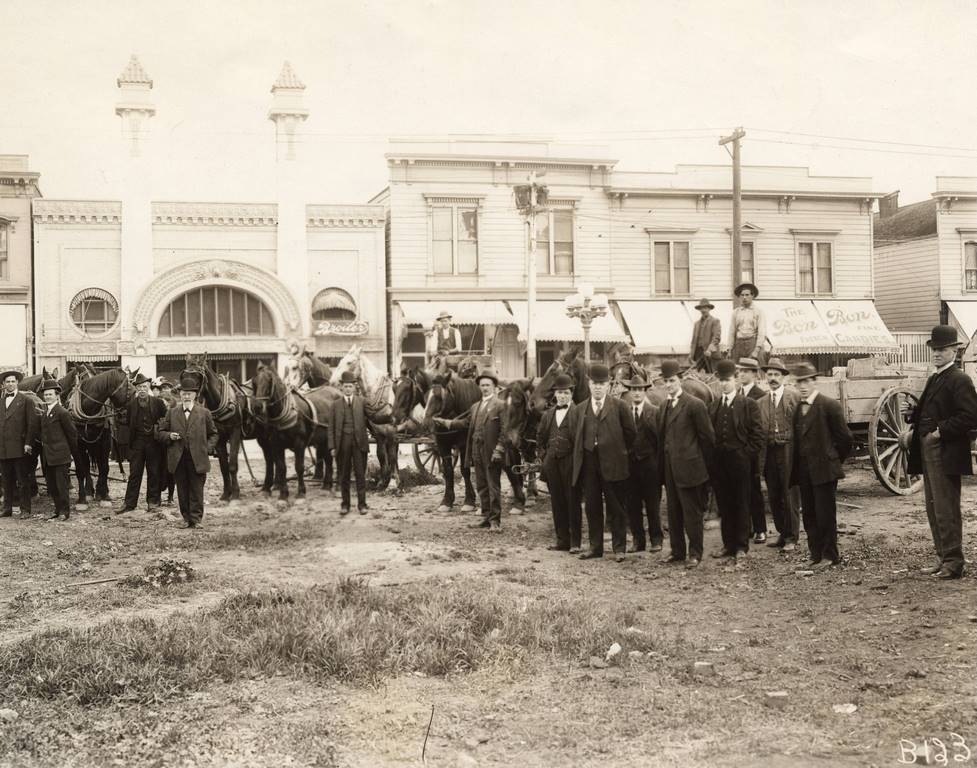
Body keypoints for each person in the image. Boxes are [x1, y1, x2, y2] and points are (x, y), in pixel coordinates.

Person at [907, 325, 977, 580]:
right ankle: (943, 557)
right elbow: (925, 410)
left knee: (946, 508)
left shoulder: (960, 379)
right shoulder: (936, 378)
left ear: (954, 351)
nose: (936, 353)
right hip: (929, 449)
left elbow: (970, 417)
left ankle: (954, 563)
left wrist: (939, 432)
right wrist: (912, 424)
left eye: (942, 349)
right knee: (933, 507)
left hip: (945, 451)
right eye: (934, 349)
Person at [567, 363, 635, 562]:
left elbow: (631, 434)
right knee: (592, 506)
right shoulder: (580, 409)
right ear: (589, 384)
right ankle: (595, 547)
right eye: (594, 383)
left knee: (616, 507)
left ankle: (619, 548)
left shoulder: (620, 406)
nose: (598, 387)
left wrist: (620, 454)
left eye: (601, 383)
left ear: (608, 385)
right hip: (589, 464)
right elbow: (574, 437)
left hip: (614, 464)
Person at [790, 362, 853, 568]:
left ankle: (830, 555)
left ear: (814, 382)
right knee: (809, 513)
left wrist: (832, 460)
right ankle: (815, 554)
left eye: (806, 381)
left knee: (825, 514)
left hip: (825, 471)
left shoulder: (829, 405)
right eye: (799, 382)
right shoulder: (798, 409)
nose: (803, 386)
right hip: (805, 472)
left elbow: (845, 439)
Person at [657, 359, 714, 568]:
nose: (669, 385)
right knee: (673, 512)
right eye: (666, 381)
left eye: (672, 380)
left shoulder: (694, 405)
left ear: (680, 380)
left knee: (692, 514)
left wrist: (704, 471)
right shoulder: (664, 405)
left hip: (691, 469)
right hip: (670, 469)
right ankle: (677, 551)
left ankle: (695, 553)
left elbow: (707, 439)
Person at [434, 369, 507, 531]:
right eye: (482, 385)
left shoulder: (500, 406)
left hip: (491, 451)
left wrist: (499, 450)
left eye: (488, 385)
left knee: (493, 485)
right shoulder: (475, 407)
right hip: (477, 452)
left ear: (494, 387)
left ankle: (495, 521)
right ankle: (486, 518)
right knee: (481, 485)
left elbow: (505, 431)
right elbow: (465, 423)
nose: (485, 388)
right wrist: (446, 423)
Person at [708, 360, 763, 561]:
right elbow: (709, 436)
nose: (724, 384)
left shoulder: (748, 405)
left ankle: (741, 546)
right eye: (721, 380)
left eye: (728, 380)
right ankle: (728, 544)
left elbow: (757, 436)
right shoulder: (713, 406)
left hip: (740, 464)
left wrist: (745, 456)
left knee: (741, 503)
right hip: (719, 465)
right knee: (724, 504)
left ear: (736, 379)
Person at [157, 371, 217, 529]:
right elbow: (160, 433)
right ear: (180, 395)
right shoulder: (172, 412)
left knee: (197, 489)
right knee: (182, 489)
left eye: (190, 394)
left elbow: (214, 434)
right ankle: (185, 518)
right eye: (184, 394)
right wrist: (170, 436)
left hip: (198, 457)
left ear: (195, 395)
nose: (186, 397)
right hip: (178, 457)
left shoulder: (204, 413)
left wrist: (207, 449)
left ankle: (196, 519)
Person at [758, 358, 801, 551]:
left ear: (783, 377)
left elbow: (801, 427)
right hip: (769, 452)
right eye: (770, 375)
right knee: (774, 495)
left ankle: (792, 537)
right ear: (765, 377)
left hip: (788, 451)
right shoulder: (761, 402)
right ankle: (782, 534)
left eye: (776, 375)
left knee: (789, 494)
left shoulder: (794, 397)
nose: (773, 378)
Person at [536, 373, 579, 552]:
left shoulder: (578, 412)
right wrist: (545, 458)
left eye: (566, 393)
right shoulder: (548, 415)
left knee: (572, 501)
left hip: (570, 462)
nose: (562, 396)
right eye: (559, 393)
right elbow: (541, 438)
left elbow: (580, 441)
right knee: (557, 501)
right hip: (552, 463)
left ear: (571, 394)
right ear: (555, 394)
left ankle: (575, 542)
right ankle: (562, 540)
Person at [623, 375, 662, 553]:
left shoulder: (654, 411)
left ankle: (656, 540)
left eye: (640, 390)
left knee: (652, 505)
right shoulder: (624, 412)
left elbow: (660, 441)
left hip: (650, 466)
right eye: (633, 390)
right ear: (629, 392)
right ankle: (638, 541)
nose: (637, 393)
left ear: (644, 391)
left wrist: (657, 464)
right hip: (630, 467)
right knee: (633, 506)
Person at [120, 373, 167, 514]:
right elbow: (127, 423)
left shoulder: (158, 403)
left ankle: (152, 502)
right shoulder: (131, 405)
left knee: (154, 472)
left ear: (148, 388)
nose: (142, 389)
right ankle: (129, 503)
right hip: (137, 444)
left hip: (154, 443)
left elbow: (165, 419)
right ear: (136, 389)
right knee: (134, 474)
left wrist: (159, 429)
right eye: (139, 387)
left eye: (144, 387)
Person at [737, 357, 768, 543]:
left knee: (754, 491)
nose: (741, 374)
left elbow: (760, 430)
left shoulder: (759, 395)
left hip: (753, 452)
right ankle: (745, 528)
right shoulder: (737, 393)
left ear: (755, 374)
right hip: (738, 453)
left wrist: (751, 451)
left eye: (746, 371)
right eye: (740, 371)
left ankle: (760, 529)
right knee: (739, 491)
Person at [0, 369, 39, 519]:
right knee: (6, 480)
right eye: (7, 381)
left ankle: (25, 509)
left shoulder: (26, 400)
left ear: (17, 383)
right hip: (3, 448)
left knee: (23, 480)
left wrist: (28, 443)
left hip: (20, 447)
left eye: (13, 381)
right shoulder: (1, 402)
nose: (10, 384)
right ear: (3, 384)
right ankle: (7, 508)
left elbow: (32, 424)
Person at [329, 370, 370, 515]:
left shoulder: (362, 402)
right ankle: (345, 505)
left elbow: (371, 420)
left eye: (350, 386)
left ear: (355, 387)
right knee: (344, 475)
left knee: (360, 475)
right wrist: (332, 446)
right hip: (342, 444)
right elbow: (331, 428)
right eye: (345, 386)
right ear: (341, 387)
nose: (347, 389)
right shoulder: (335, 405)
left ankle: (362, 505)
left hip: (359, 444)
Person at [38, 377, 77, 521]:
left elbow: (72, 435)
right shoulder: (44, 413)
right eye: (45, 394)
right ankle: (57, 509)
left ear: (57, 395)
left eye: (50, 394)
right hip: (48, 456)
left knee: (62, 486)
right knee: (52, 486)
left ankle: (65, 512)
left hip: (60, 456)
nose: (47, 396)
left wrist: (71, 455)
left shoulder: (62, 412)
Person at [728, 283, 766, 365]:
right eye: (742, 295)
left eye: (747, 295)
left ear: (752, 296)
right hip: (739, 344)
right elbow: (732, 332)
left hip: (753, 343)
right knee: (738, 370)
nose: (744, 297)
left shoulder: (758, 312)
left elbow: (761, 332)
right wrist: (730, 349)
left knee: (755, 369)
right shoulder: (736, 312)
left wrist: (756, 350)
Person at [689, 298, 722, 373]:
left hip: (710, 353)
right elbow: (693, 340)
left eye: (705, 308)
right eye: (701, 308)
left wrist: (709, 349)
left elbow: (716, 338)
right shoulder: (696, 324)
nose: (703, 310)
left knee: (713, 375)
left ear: (709, 309)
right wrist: (691, 353)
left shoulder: (715, 321)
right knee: (699, 375)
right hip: (699, 353)